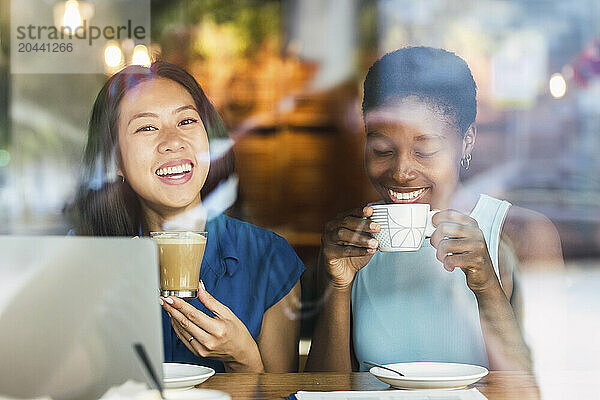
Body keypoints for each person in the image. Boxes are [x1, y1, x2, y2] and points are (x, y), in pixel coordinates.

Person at [305, 47, 563, 372]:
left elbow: (535, 390)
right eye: (381, 149)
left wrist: (485, 283)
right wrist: (338, 285)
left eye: (424, 150)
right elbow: (326, 391)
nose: (400, 172)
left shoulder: (519, 234)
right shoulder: (355, 239)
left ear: (467, 140)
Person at [69, 61, 304, 373]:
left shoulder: (268, 258)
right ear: (115, 161)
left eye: (186, 121)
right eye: (147, 127)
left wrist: (242, 358)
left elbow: (281, 394)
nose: (173, 141)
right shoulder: (80, 262)